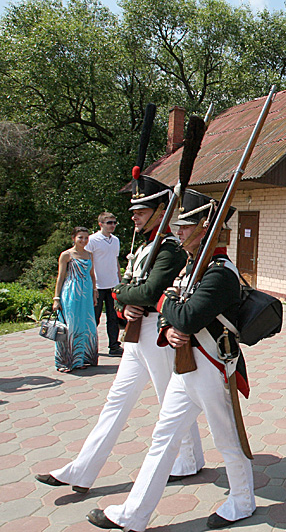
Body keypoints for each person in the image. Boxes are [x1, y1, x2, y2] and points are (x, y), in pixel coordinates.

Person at [88, 190, 254, 531]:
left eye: (185, 226)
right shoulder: (195, 267)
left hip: (213, 364)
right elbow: (175, 312)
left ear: (205, 229)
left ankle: (242, 500)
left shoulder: (220, 273)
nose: (178, 232)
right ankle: (132, 515)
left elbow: (188, 314)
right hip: (186, 364)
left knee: (227, 439)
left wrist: (163, 304)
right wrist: (168, 329)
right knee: (163, 437)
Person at [36, 176, 204, 495]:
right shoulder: (142, 248)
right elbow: (123, 288)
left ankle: (189, 460)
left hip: (158, 334)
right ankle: (81, 470)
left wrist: (127, 296)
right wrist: (126, 301)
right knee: (116, 402)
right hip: (135, 335)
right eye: (134, 211)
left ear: (159, 211)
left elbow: (150, 290)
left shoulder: (169, 250)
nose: (133, 216)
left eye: (141, 210)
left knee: (170, 401)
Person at [53, 226, 99, 372]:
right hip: (71, 293)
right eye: (80, 237)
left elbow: (92, 275)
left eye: (86, 238)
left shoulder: (90, 254)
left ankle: (82, 359)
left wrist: (94, 292)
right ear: (74, 238)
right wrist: (56, 298)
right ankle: (65, 362)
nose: (84, 240)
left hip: (86, 293)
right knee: (71, 326)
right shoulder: (66, 255)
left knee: (87, 325)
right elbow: (60, 277)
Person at [87, 212, 122, 356]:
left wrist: (119, 280)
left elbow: (116, 260)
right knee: (94, 318)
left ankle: (114, 346)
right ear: (100, 224)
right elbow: (89, 262)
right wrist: (92, 285)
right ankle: (89, 345)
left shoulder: (115, 240)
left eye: (114, 222)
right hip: (98, 285)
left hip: (112, 284)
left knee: (113, 317)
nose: (112, 225)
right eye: (109, 223)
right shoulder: (92, 240)